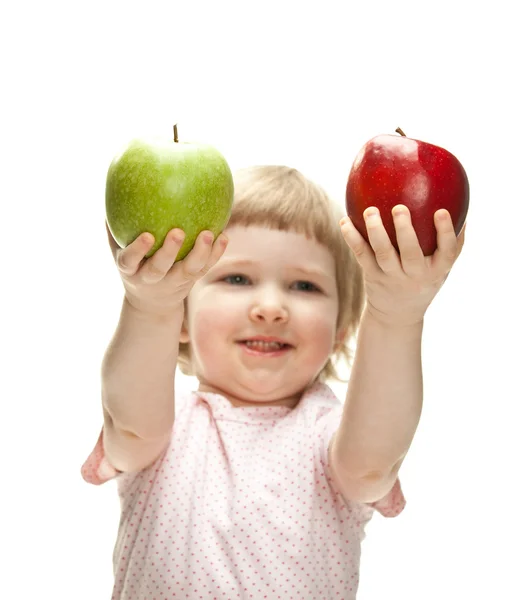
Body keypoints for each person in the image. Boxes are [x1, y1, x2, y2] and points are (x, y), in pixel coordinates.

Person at [82, 165, 465, 599]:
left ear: (342, 328)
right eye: (237, 279)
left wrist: (396, 315)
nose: (270, 308)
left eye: (304, 286)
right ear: (181, 316)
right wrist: (149, 305)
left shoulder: (329, 441)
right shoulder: (160, 432)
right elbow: (130, 423)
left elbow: (372, 466)